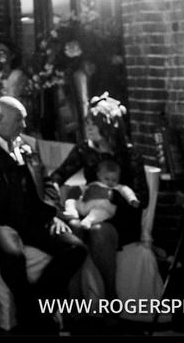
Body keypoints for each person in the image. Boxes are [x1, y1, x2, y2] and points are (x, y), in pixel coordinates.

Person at [0, 96, 87, 333]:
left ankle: (36, 306)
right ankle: (33, 320)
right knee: (13, 256)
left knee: (76, 248)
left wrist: (53, 213)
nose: (24, 125)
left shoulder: (27, 143)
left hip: (35, 217)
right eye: (19, 120)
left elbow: (47, 183)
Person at [46, 93, 146, 300]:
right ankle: (74, 300)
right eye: (87, 123)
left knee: (100, 231)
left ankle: (111, 296)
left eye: (94, 123)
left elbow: (142, 198)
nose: (88, 128)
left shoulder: (130, 154)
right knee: (72, 226)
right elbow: (59, 174)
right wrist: (53, 189)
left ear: (109, 126)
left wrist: (110, 195)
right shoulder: (84, 149)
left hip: (120, 216)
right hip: (89, 210)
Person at [62, 158, 138, 230]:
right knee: (71, 201)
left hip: (102, 208)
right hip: (85, 205)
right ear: (98, 175)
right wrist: (78, 190)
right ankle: (71, 213)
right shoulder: (94, 183)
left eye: (114, 180)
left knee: (100, 213)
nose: (110, 182)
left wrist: (132, 199)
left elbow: (127, 191)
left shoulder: (117, 187)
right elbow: (84, 188)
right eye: (107, 179)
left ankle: (88, 221)